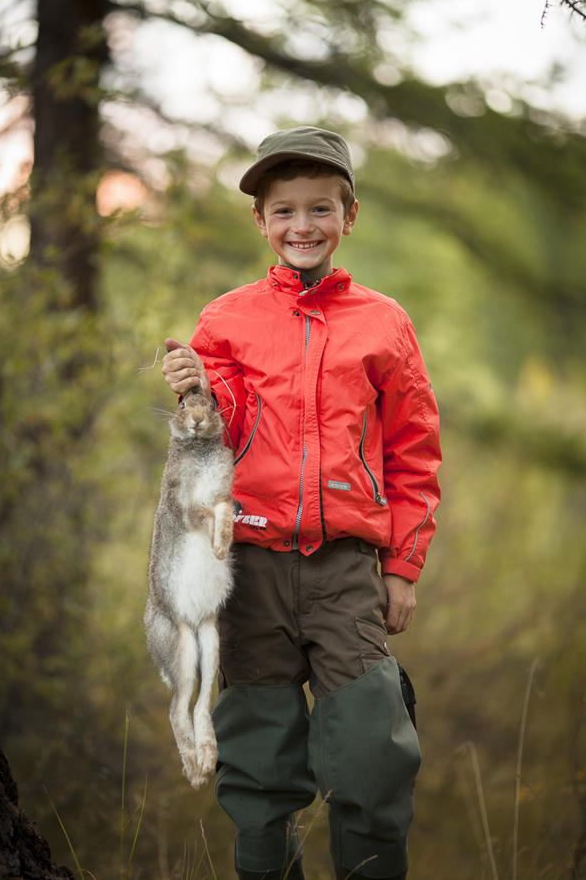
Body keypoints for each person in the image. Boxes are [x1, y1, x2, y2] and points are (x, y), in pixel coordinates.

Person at [161, 126, 441, 880]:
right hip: (249, 569)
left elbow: (414, 451)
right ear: (261, 221)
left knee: (372, 759)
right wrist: (200, 388)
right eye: (284, 211)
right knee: (257, 766)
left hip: (347, 573)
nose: (303, 226)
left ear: (350, 216)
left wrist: (404, 566)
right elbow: (223, 433)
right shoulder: (225, 320)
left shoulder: (383, 322)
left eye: (321, 209)